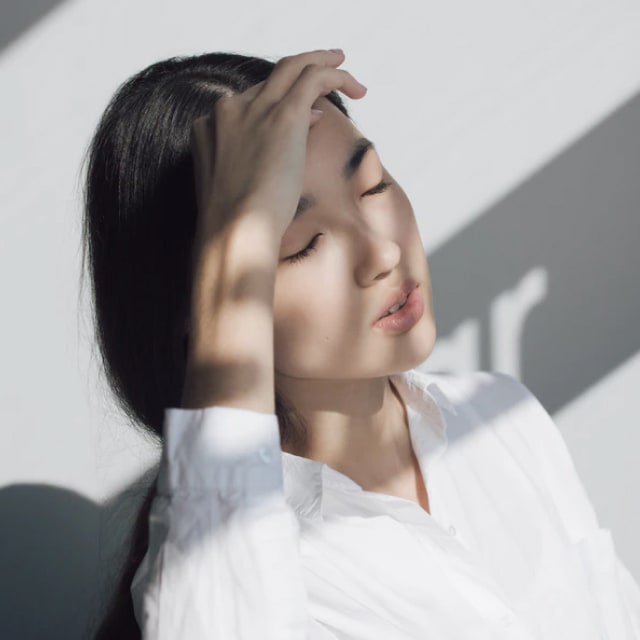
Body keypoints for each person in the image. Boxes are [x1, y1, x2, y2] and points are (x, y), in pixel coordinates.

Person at [82, 48, 640, 639]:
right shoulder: (248, 567)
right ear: (202, 307)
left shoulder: (503, 418)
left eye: (373, 186)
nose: (383, 252)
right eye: (299, 244)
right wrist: (239, 237)